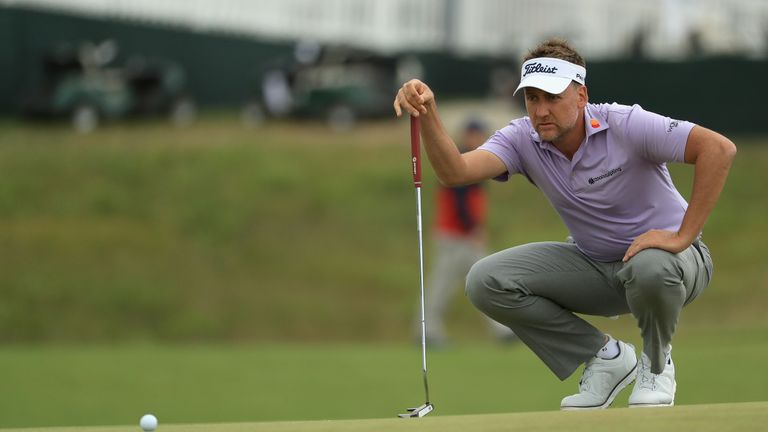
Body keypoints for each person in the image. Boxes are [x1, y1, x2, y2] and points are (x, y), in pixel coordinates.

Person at [393, 38, 735, 409]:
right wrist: (427, 114)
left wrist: (683, 235)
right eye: (533, 98)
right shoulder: (522, 138)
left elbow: (718, 149)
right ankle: (606, 357)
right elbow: (455, 172)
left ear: (581, 95)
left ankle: (656, 363)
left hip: (675, 264)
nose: (541, 110)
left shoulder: (625, 123)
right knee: (486, 280)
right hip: (596, 266)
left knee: (650, 264)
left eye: (553, 97)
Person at [417, 119, 516, 346]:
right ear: (467, 136)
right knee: (444, 285)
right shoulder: (460, 159)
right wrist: (473, 228)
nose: (479, 139)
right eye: (475, 134)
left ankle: (501, 330)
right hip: (456, 235)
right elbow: (460, 200)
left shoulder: (474, 159)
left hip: (463, 235)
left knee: (485, 280)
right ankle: (427, 331)